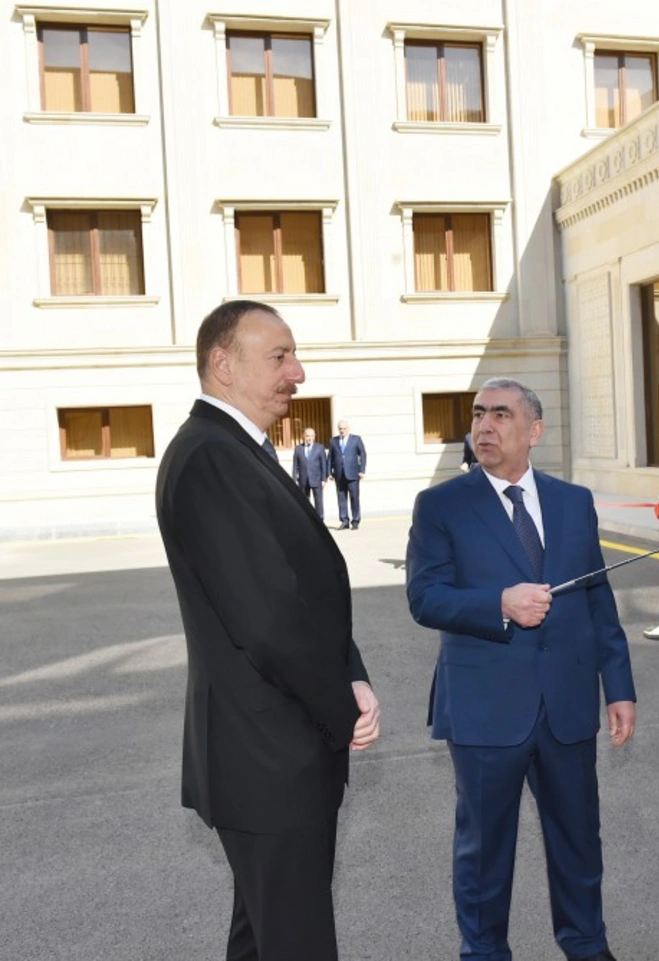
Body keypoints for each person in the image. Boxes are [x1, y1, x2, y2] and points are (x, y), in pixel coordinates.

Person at [155, 300, 381, 961]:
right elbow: (270, 621)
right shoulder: (210, 458)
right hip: (269, 760)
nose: (298, 372)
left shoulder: (234, 449)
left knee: (263, 938)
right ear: (222, 364)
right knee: (295, 943)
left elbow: (303, 592)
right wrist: (343, 706)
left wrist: (353, 672)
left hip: (271, 756)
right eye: (280, 356)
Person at [406, 377, 635, 961]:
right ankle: (484, 952)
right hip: (484, 710)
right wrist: (499, 604)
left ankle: (587, 946)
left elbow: (598, 599)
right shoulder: (441, 505)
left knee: (578, 841)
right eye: (478, 414)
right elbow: (424, 598)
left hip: (566, 705)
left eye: (501, 415)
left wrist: (619, 687)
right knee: (484, 852)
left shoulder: (572, 502)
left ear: (534, 431)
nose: (484, 426)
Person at [329, 420, 367, 529]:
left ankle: (355, 520)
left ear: (348, 429)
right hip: (339, 474)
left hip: (353, 474)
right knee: (341, 498)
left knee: (354, 498)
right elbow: (330, 458)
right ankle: (344, 521)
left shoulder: (356, 439)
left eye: (344, 429)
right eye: (340, 429)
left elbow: (363, 454)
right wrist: (329, 472)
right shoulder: (333, 441)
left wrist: (362, 470)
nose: (342, 431)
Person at [292, 426, 330, 521]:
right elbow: (295, 465)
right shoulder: (298, 448)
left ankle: (320, 520)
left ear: (314, 436)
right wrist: (294, 479)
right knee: (305, 501)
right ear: (303, 436)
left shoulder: (320, 448)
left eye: (312, 436)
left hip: (317, 479)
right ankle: (307, 520)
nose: (309, 438)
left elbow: (323, 464)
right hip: (303, 480)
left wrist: (324, 479)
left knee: (318, 501)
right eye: (308, 436)